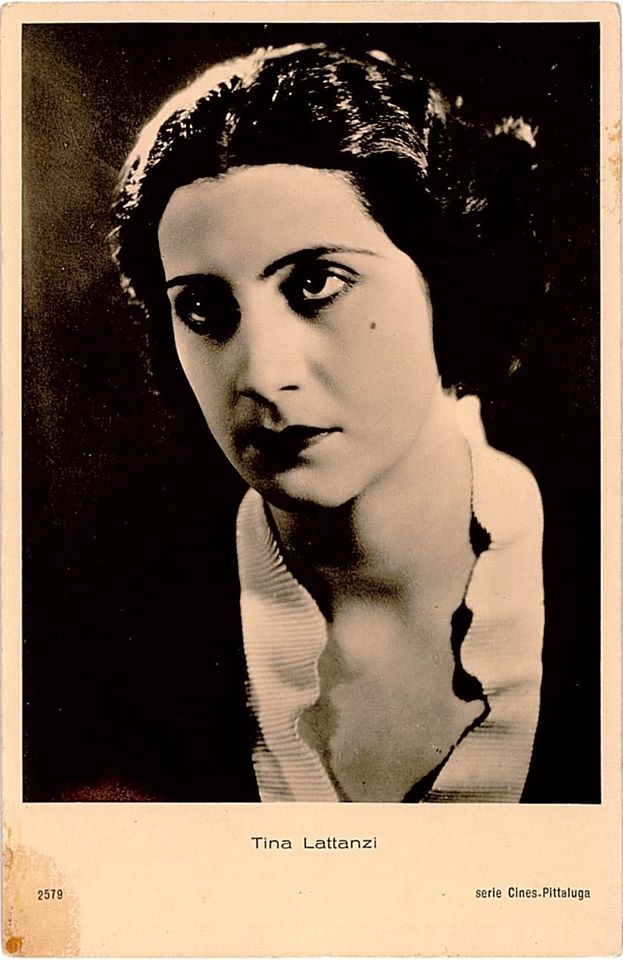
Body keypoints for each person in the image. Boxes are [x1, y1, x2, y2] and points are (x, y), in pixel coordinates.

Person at [85, 43, 546, 801]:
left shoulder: (600, 561)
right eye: (202, 307)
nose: (263, 375)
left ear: (447, 277)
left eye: (315, 283)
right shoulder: (114, 656)